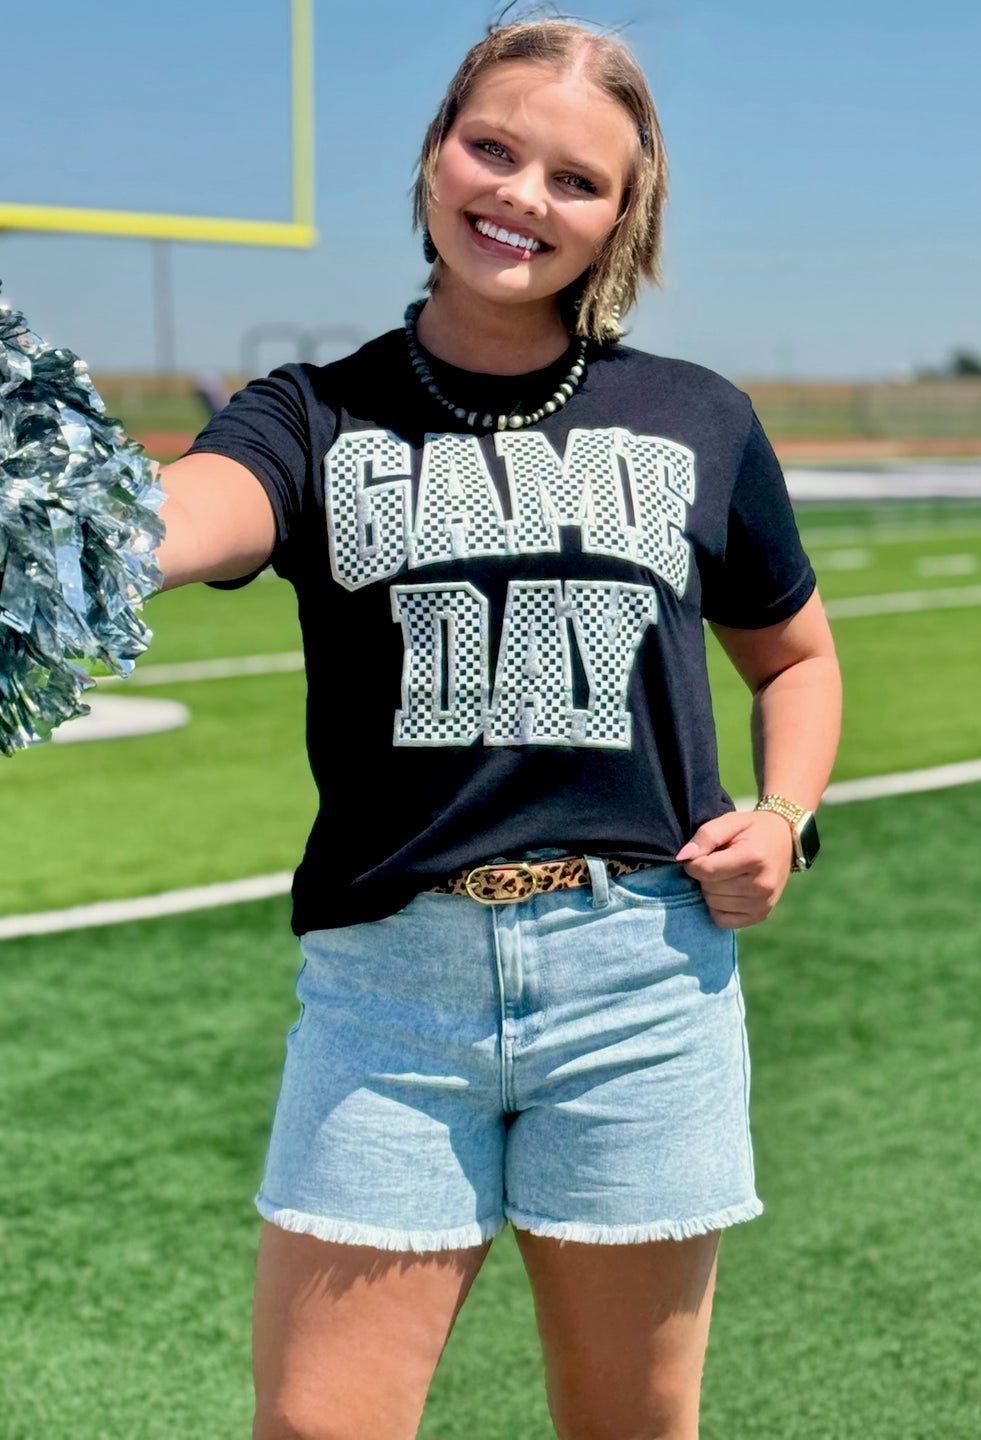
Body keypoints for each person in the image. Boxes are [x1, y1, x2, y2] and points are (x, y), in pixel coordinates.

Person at [157, 17, 841, 1440]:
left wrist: (783, 818)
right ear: (431, 158)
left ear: (620, 220)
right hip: (390, 991)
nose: (524, 194)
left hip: (639, 982)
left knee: (630, 1432)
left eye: (576, 180)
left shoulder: (696, 417)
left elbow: (798, 657)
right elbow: (189, 515)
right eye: (494, 148)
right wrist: (73, 531)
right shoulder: (314, 414)